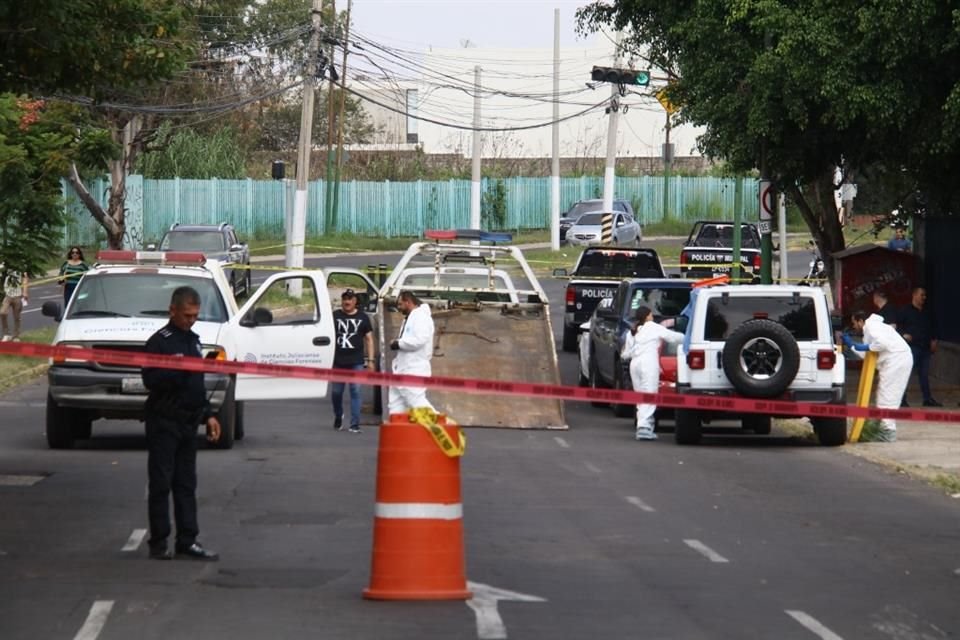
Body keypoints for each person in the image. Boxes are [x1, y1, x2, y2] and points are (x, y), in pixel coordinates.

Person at [141, 286, 221, 561]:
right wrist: (177, 370)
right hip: (164, 420)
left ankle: (188, 540)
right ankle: (159, 542)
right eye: (187, 315)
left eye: (195, 315)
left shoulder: (194, 341)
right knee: (161, 483)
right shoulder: (159, 342)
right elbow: (149, 380)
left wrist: (209, 414)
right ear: (172, 311)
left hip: (188, 422)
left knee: (186, 484)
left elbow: (196, 385)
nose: (191, 320)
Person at [843, 311, 913, 442]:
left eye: (854, 323)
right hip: (896, 359)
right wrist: (853, 346)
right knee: (885, 395)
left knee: (888, 396)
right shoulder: (873, 329)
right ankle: (885, 429)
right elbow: (868, 354)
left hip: (896, 360)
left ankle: (887, 432)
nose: (854, 327)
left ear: (860, 321)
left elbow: (881, 345)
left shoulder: (871, 327)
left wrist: (861, 346)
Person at [620, 305, 685, 441]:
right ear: (648, 316)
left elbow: (625, 354)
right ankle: (644, 428)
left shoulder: (632, 331)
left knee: (640, 397)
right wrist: (689, 337)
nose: (653, 317)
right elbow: (673, 338)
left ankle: (644, 425)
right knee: (649, 395)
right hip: (648, 363)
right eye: (651, 314)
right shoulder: (653, 326)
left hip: (634, 364)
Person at [331, 289, 375, 433]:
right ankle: (339, 415)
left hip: (356, 361)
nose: (346, 302)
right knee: (336, 393)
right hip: (338, 361)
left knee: (355, 391)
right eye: (344, 299)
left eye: (350, 299)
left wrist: (371, 360)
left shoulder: (363, 318)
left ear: (355, 301)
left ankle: (354, 424)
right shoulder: (335, 316)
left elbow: (369, 339)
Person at [388, 291, 436, 414]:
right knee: (395, 405)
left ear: (408, 302)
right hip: (402, 368)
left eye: (400, 304)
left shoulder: (421, 317)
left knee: (416, 402)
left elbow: (419, 340)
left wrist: (398, 343)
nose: (398, 308)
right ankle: (398, 431)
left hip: (414, 368)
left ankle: (441, 427)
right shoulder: (409, 318)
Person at [898, 287, 940, 407]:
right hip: (911, 348)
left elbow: (934, 326)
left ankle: (927, 399)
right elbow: (896, 326)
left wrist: (934, 340)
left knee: (924, 374)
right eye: (922, 295)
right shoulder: (905, 311)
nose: (924, 298)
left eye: (925, 295)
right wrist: (903, 334)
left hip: (925, 347)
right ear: (914, 295)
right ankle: (902, 399)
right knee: (906, 373)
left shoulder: (927, 311)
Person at [0, 266, 28, 342]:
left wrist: (25, 292)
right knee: (3, 312)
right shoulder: (3, 265)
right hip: (7, 295)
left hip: (17, 295)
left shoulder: (20, 266)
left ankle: (16, 336)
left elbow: (25, 278)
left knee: (17, 317)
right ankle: (6, 334)